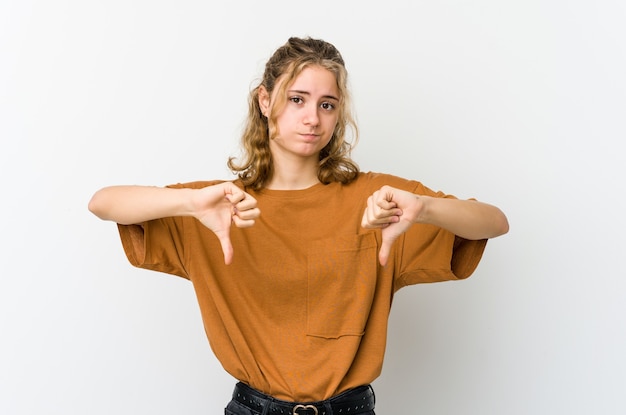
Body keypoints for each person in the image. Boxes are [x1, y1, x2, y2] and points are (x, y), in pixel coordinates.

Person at [89, 36, 509, 415]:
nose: (313, 118)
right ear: (265, 100)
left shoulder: (381, 200)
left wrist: (425, 208)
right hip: (253, 408)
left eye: (327, 104)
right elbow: (103, 203)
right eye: (297, 99)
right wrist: (188, 201)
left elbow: (494, 222)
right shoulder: (216, 205)